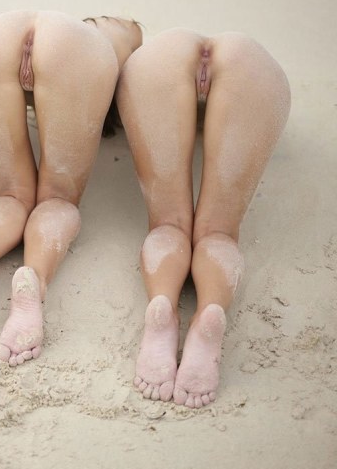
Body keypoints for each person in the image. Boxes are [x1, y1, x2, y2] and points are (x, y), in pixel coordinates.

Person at [0, 12, 143, 365]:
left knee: (11, 193)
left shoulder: (56, 23)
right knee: (57, 198)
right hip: (74, 52)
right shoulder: (113, 37)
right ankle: (32, 277)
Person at [116, 28, 290, 407]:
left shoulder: (154, 49)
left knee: (167, 223)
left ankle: (163, 307)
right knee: (219, 231)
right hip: (252, 63)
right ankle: (209, 313)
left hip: (158, 60)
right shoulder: (248, 58)